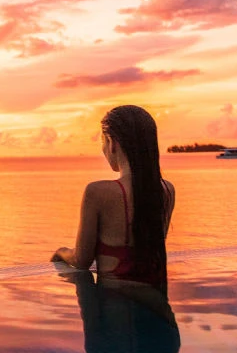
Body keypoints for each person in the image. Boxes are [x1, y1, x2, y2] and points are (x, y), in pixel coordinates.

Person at [51, 105, 175, 293]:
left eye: (102, 142)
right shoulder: (167, 190)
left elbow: (81, 261)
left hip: (115, 306)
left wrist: (61, 252)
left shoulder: (98, 192)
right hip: (155, 303)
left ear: (112, 142)